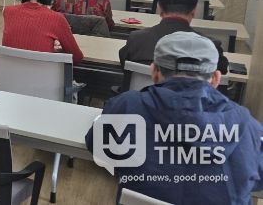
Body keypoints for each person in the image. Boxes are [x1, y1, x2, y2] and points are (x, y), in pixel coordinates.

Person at [86, 32, 263, 204]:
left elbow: (98, 149)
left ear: (154, 72)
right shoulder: (247, 126)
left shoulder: (126, 106)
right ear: (216, 78)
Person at [119, 0, 228, 75]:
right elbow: (221, 74)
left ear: (159, 8)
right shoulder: (211, 46)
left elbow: (126, 68)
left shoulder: (137, 40)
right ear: (194, 10)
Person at [2, 0, 83, 64]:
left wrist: (46, 45)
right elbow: (76, 58)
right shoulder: (57, 18)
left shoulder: (8, 12)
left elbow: (24, 41)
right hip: (42, 72)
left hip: (9, 72)